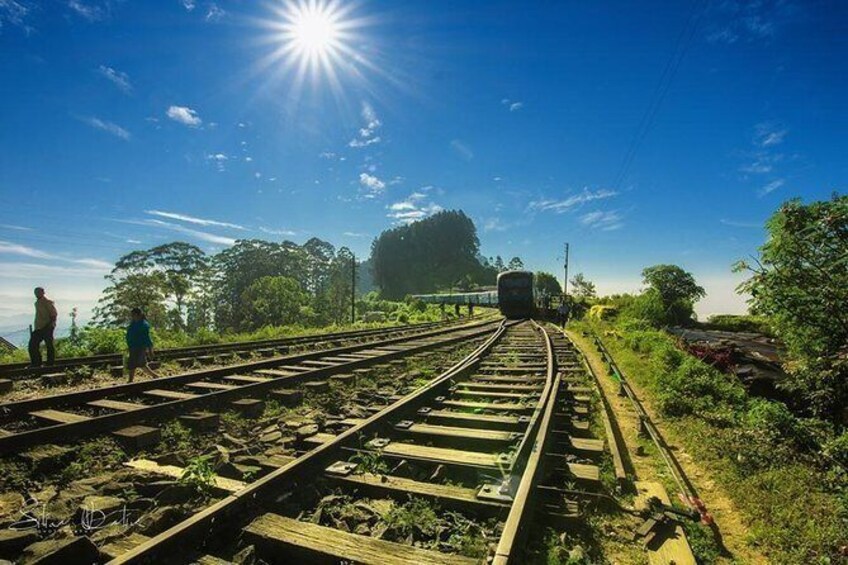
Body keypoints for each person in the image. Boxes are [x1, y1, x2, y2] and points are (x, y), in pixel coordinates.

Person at [126, 307, 161, 383]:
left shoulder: (143, 325)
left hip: (139, 347)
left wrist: (150, 350)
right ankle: (155, 376)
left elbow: (147, 338)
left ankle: (130, 381)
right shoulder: (134, 323)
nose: (131, 316)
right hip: (133, 347)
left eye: (133, 315)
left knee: (136, 364)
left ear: (137, 315)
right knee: (138, 364)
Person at [28, 287, 57, 367]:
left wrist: (50, 325)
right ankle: (36, 363)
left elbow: (53, 314)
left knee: (49, 345)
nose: (36, 294)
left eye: (38, 292)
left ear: (43, 292)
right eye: (35, 292)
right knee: (32, 345)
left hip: (47, 326)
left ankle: (50, 364)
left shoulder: (47, 302)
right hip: (39, 328)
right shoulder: (37, 303)